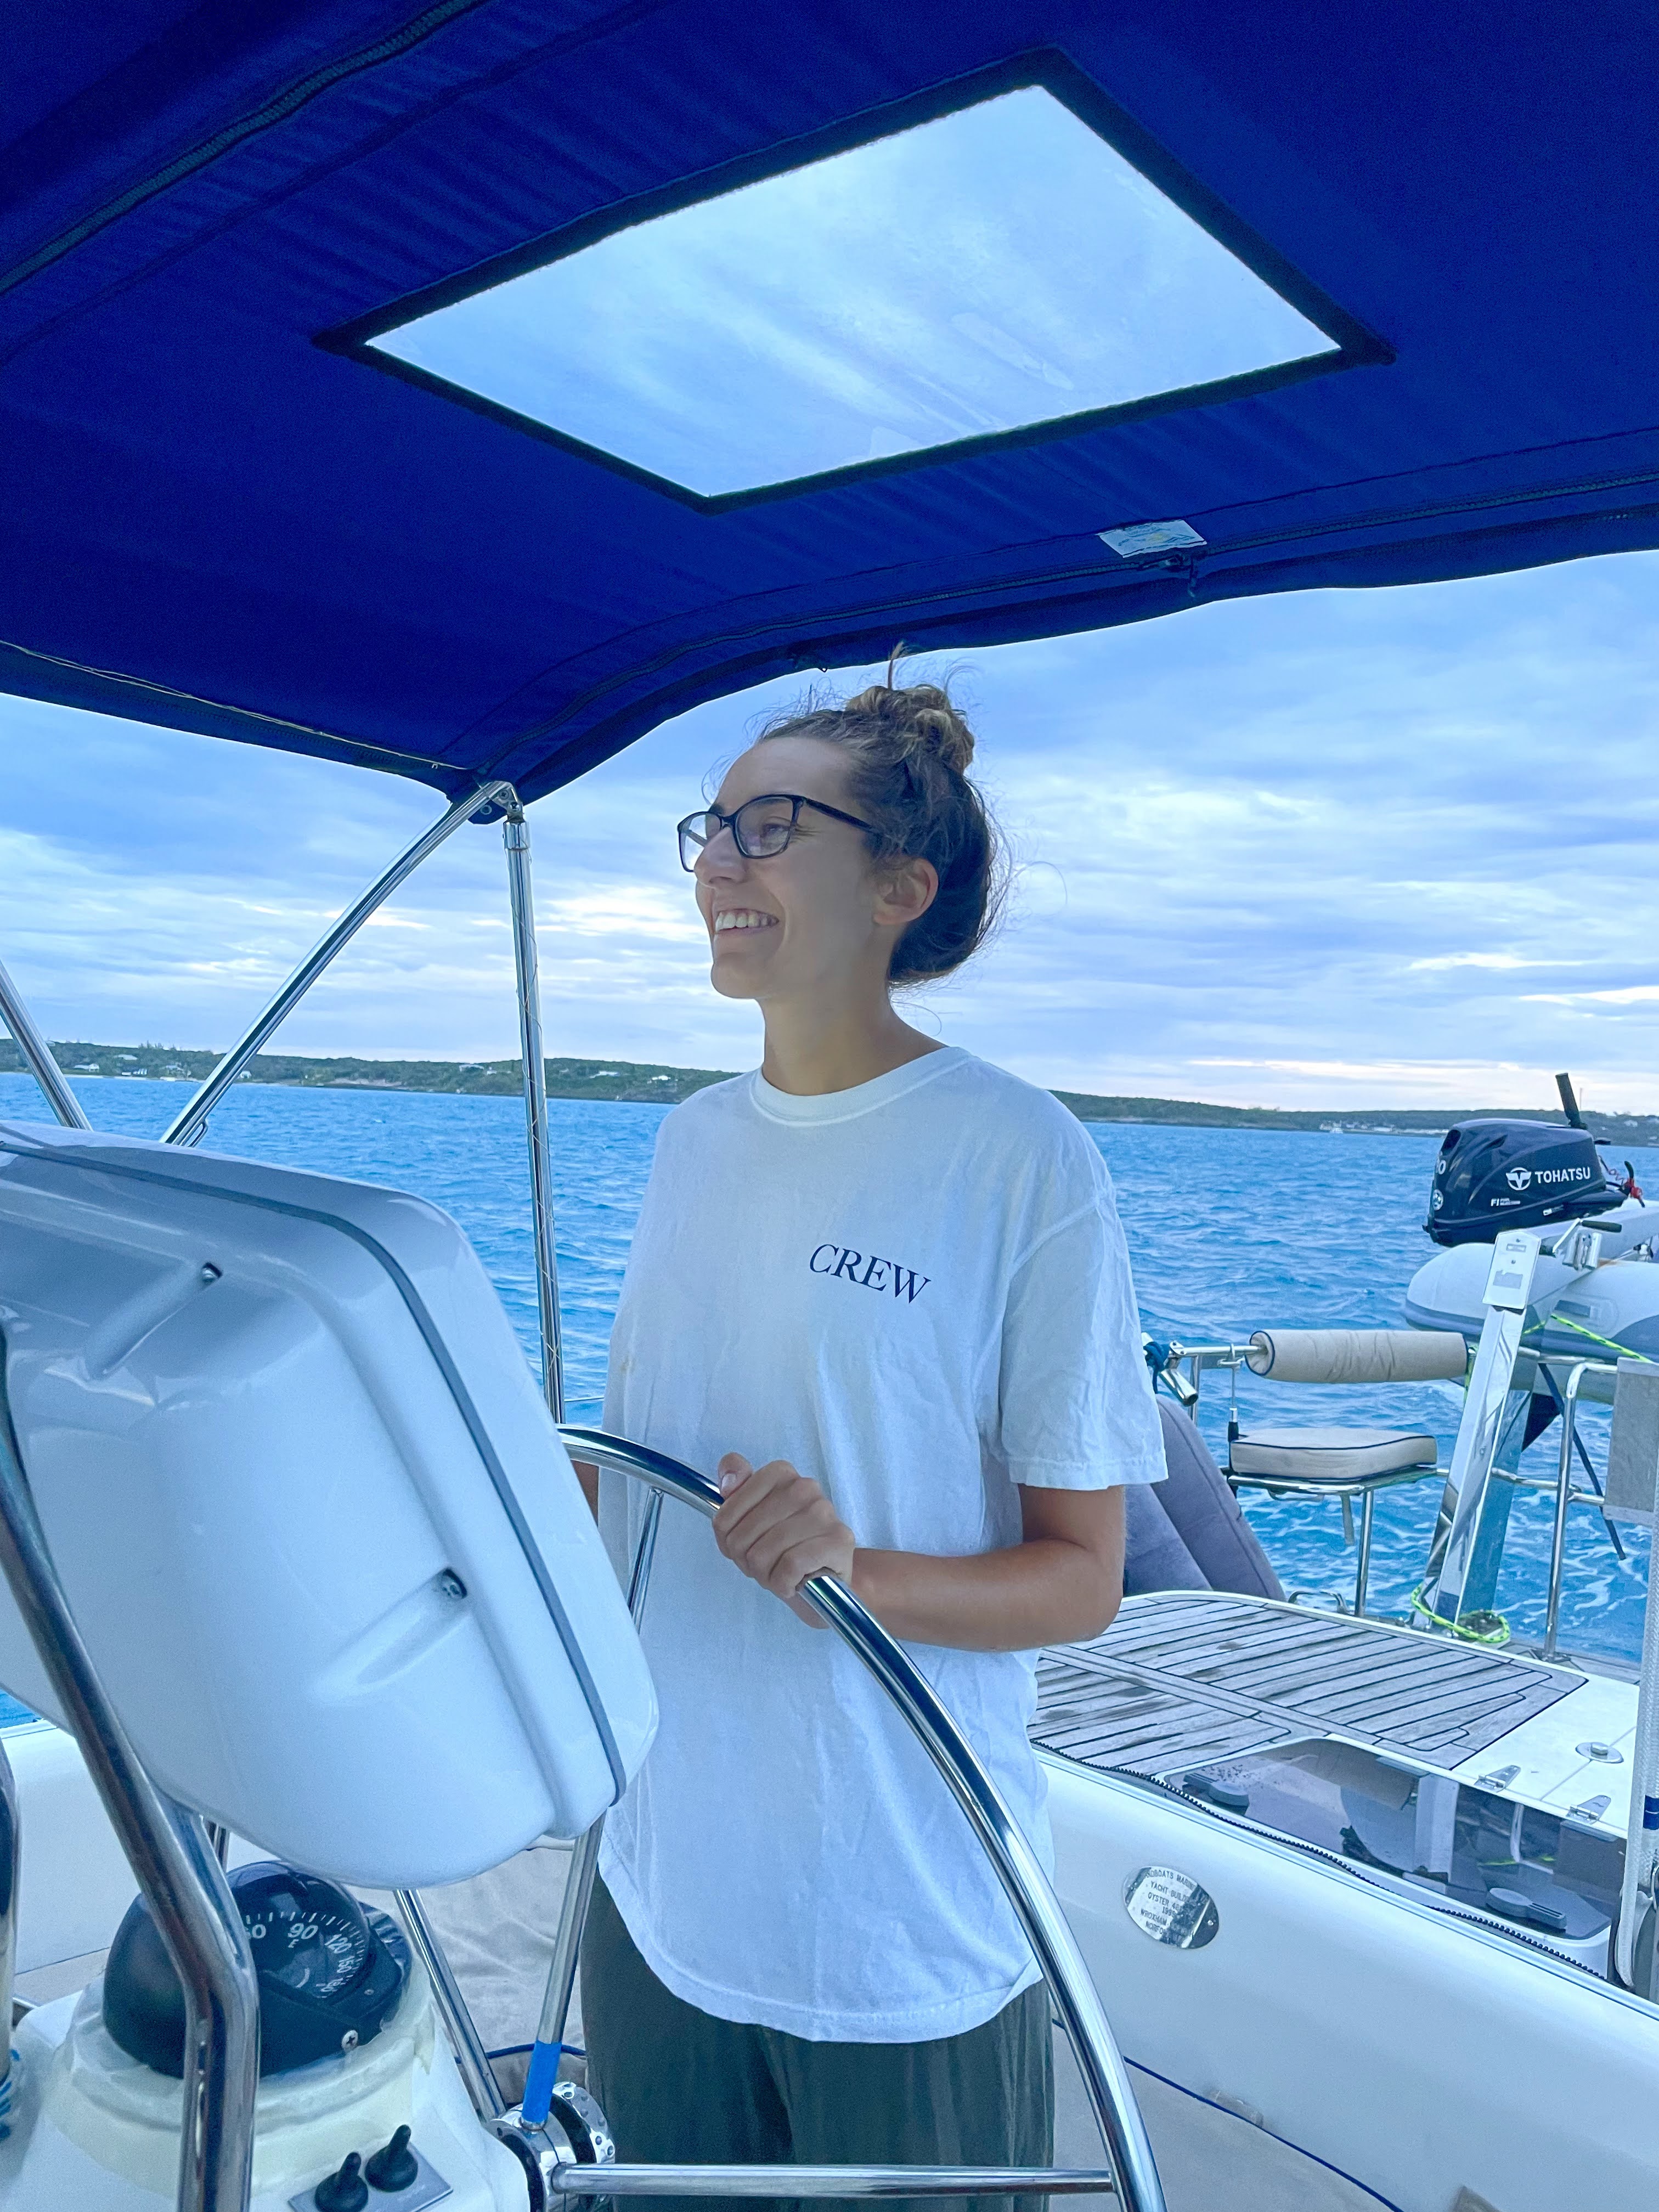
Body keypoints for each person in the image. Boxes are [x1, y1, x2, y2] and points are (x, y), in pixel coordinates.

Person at [577, 666, 1165, 2209]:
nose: (720, 860)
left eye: (770, 826)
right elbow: (631, 1481)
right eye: (712, 826)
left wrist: (860, 1568)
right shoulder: (687, 1145)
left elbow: (1081, 1580)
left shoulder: (1019, 1156)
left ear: (902, 887)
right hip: (659, 1883)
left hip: (897, 1914)